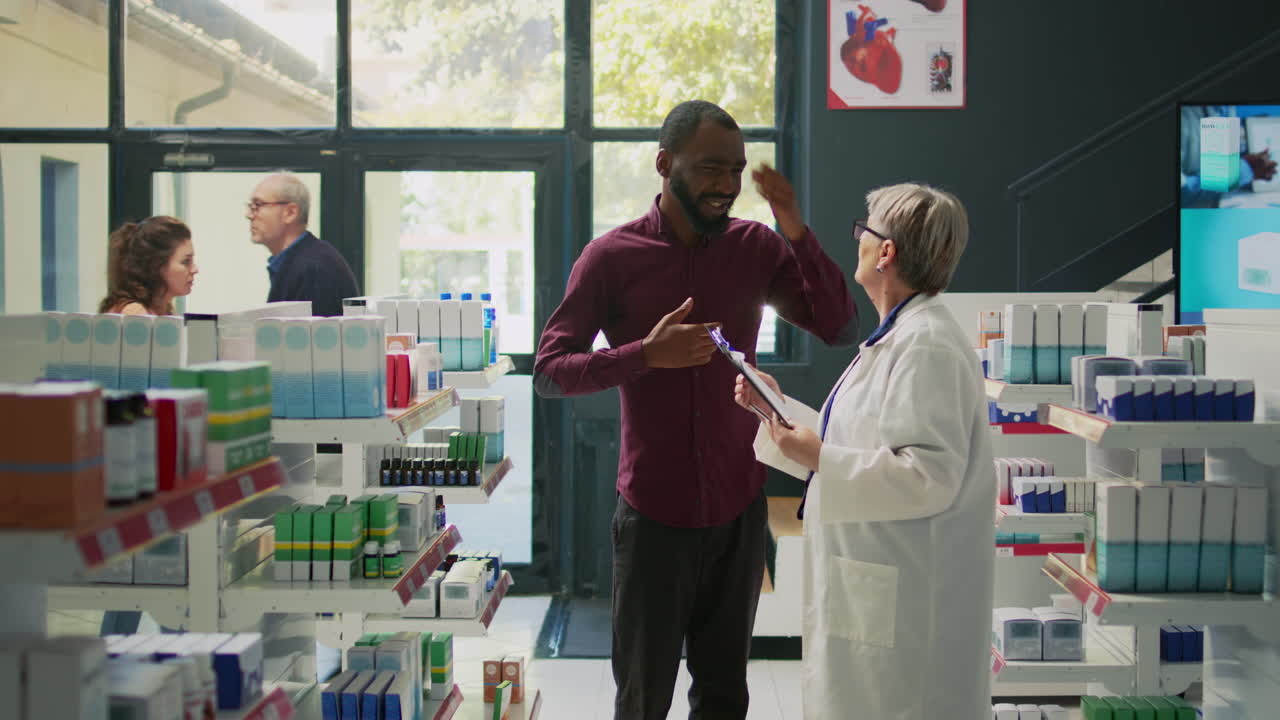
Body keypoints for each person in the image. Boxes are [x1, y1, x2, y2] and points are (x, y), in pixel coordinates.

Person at [534, 99, 858, 720]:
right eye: (711, 168)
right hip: (653, 521)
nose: (728, 186)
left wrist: (793, 225)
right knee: (642, 699)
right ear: (664, 164)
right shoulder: (610, 258)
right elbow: (550, 371)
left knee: (724, 697)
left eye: (736, 170)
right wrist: (641, 357)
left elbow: (839, 326)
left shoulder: (756, 247)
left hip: (739, 516)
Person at [736, 183, 994, 720]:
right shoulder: (898, 338)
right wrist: (779, 417)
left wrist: (817, 457)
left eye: (863, 231)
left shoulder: (925, 345)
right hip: (877, 588)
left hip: (905, 607)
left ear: (886, 252)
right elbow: (860, 444)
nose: (856, 241)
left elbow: (928, 475)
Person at [247, 173, 358, 316]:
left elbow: (313, 336)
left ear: (290, 213)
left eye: (258, 205)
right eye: (251, 206)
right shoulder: (300, 262)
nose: (249, 215)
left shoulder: (314, 268)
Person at [1180, 105, 1277, 208]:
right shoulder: (1182, 116)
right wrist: (1243, 170)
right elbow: (1181, 192)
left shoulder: (1225, 108)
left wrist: (1249, 171)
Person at [99, 215, 199, 315]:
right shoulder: (135, 313)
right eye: (186, 261)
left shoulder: (164, 309)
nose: (195, 269)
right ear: (156, 265)